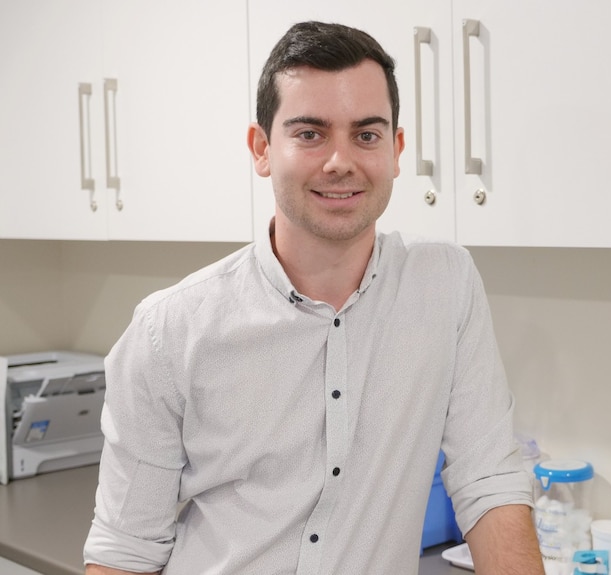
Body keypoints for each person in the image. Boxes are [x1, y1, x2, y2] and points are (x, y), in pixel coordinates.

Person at [83, 21, 543, 575]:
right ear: (262, 149)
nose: (339, 161)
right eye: (310, 133)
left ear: (396, 151)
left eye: (366, 135)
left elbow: (487, 477)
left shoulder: (445, 285)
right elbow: (124, 551)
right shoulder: (169, 331)